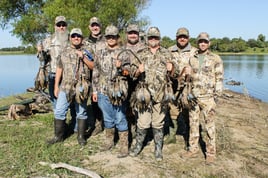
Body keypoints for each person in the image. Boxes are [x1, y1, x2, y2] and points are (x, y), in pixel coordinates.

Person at [129, 27, 177, 161]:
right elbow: (132, 74)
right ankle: (138, 146)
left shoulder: (167, 53)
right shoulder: (140, 53)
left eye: (155, 37)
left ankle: (158, 149)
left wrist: (172, 68)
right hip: (144, 94)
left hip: (161, 94)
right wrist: (138, 70)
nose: (153, 40)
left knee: (158, 123)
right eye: (151, 37)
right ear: (147, 39)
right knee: (143, 123)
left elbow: (176, 74)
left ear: (159, 38)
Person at [180, 32, 224, 165]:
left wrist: (216, 97)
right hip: (193, 97)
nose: (202, 44)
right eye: (200, 42)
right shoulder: (192, 58)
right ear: (197, 43)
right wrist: (186, 75)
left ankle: (210, 153)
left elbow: (219, 78)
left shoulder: (215, 58)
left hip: (208, 98)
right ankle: (192, 149)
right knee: (193, 124)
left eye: (205, 41)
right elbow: (186, 79)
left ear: (208, 43)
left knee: (209, 126)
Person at [47, 28, 94, 146]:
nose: (76, 38)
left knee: (81, 112)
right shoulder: (64, 51)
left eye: (78, 36)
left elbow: (93, 66)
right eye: (74, 36)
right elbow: (59, 68)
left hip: (81, 86)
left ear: (82, 38)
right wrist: (56, 86)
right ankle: (58, 136)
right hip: (65, 86)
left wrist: (83, 57)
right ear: (70, 38)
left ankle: (81, 136)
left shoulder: (88, 51)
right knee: (59, 111)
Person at [92, 25, 129, 158]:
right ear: (105, 38)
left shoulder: (124, 53)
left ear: (118, 37)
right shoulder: (100, 52)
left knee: (120, 117)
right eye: (108, 36)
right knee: (107, 118)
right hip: (102, 90)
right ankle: (109, 142)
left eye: (113, 36)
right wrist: (95, 91)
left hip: (119, 91)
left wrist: (121, 68)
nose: (111, 39)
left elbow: (127, 73)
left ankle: (124, 146)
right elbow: (95, 72)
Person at [165, 27, 197, 147]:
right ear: (176, 37)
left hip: (188, 87)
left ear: (188, 38)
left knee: (188, 112)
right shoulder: (169, 50)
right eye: (180, 36)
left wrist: (192, 72)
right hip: (173, 86)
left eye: (184, 36)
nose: (182, 38)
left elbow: (201, 70)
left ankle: (189, 137)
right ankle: (172, 136)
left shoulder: (195, 52)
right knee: (172, 111)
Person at [124, 24, 146, 142]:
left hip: (140, 82)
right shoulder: (122, 48)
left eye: (135, 33)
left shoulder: (145, 48)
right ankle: (129, 131)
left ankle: (140, 133)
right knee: (127, 108)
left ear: (138, 34)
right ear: (127, 34)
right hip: (126, 83)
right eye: (130, 33)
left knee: (140, 108)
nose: (133, 35)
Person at [84, 17, 105, 136]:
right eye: (92, 25)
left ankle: (109, 123)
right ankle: (98, 124)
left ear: (100, 26)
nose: (95, 27)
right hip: (91, 75)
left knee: (108, 99)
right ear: (89, 27)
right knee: (94, 100)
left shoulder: (107, 39)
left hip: (106, 74)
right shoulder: (85, 42)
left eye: (96, 25)